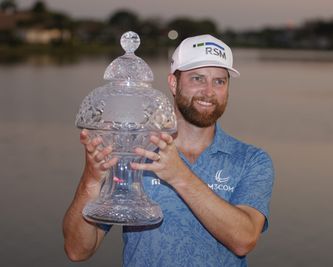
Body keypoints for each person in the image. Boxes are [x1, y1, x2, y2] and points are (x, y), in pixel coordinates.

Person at [63, 34, 275, 266]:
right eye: (197, 78)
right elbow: (77, 250)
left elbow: (244, 240)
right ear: (173, 84)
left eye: (219, 81)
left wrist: (178, 175)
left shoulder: (251, 160)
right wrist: (91, 180)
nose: (209, 91)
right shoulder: (135, 151)